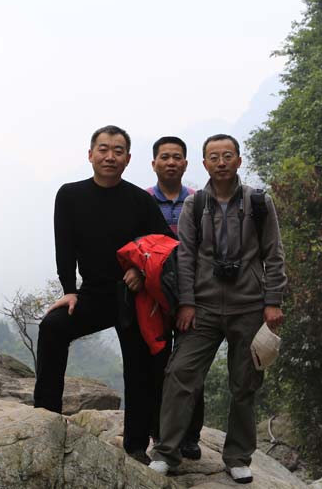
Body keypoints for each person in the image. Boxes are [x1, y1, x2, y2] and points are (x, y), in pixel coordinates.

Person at [149, 134, 287, 484]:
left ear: (239, 160)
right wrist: (187, 303)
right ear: (204, 163)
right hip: (204, 307)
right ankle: (167, 453)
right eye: (214, 157)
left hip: (249, 306)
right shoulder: (195, 205)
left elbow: (273, 253)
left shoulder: (258, 202)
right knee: (180, 375)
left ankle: (238, 457)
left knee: (245, 384)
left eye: (227, 156)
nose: (221, 162)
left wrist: (273, 302)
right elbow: (185, 257)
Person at [33, 125, 171, 466]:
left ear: (128, 158)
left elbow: (166, 245)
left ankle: (136, 443)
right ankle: (45, 420)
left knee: (139, 364)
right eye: (104, 149)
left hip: (132, 296)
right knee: (52, 328)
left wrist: (141, 271)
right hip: (91, 294)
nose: (110, 156)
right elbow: (64, 246)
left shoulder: (140, 200)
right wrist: (69, 290)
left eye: (118, 151)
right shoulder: (70, 195)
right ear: (90, 154)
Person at [146, 136, 205, 461]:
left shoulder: (198, 201)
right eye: (165, 157)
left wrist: (191, 298)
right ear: (154, 163)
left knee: (190, 367)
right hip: (153, 296)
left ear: (185, 163)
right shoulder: (142, 200)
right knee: (155, 366)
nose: (171, 162)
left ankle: (190, 436)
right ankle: (159, 433)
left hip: (190, 294)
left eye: (177, 157)